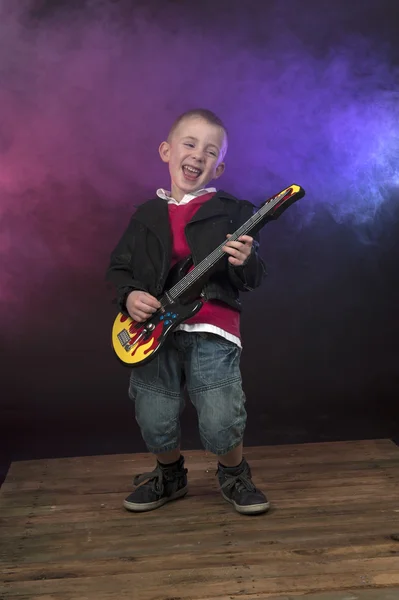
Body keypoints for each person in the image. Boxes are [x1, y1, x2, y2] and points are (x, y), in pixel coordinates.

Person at [106, 108, 269, 515]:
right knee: (154, 410)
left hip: (212, 325)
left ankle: (233, 474)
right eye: (190, 144)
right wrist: (129, 297)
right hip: (152, 331)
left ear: (219, 168)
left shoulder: (234, 211)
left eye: (211, 151)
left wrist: (243, 260)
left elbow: (254, 276)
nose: (199, 155)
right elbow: (118, 269)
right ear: (166, 150)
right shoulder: (145, 216)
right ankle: (170, 475)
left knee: (219, 414)